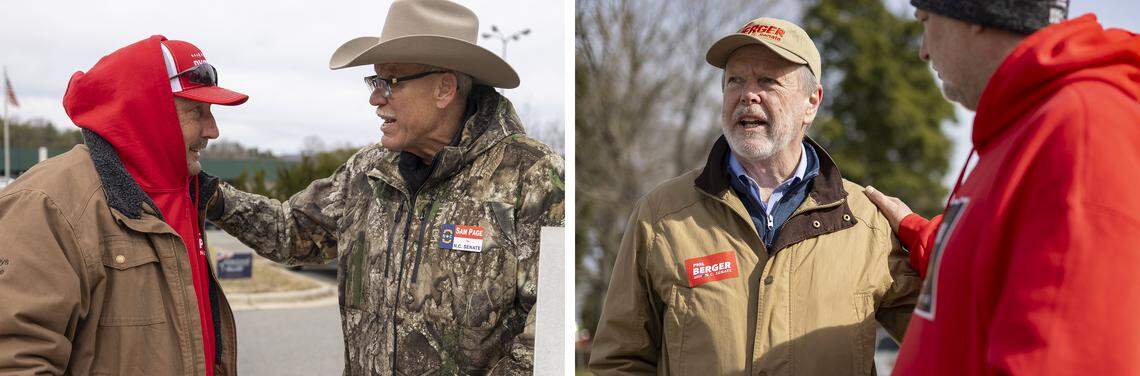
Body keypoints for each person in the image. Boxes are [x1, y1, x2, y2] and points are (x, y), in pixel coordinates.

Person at [201, 0, 564, 374]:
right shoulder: (367, 171)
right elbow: (290, 232)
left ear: (444, 89)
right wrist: (212, 197)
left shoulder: (533, 178)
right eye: (374, 82)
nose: (375, 98)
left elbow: (545, 344)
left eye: (389, 82)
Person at [588, 17, 920, 375]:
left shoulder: (867, 223)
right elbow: (619, 362)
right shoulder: (660, 216)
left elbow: (949, 338)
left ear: (812, 102)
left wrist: (943, 244)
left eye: (768, 81)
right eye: (735, 81)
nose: (748, 94)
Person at [861, 0, 1140, 374]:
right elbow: (995, 255)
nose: (923, 49)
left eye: (926, 20)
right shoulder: (1030, 123)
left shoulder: (1082, 129)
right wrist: (917, 229)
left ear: (975, 12)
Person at [0, 36, 247, 375]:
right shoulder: (47, 205)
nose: (213, 130)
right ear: (146, 111)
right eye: (197, 112)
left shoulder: (185, 195)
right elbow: (17, 360)